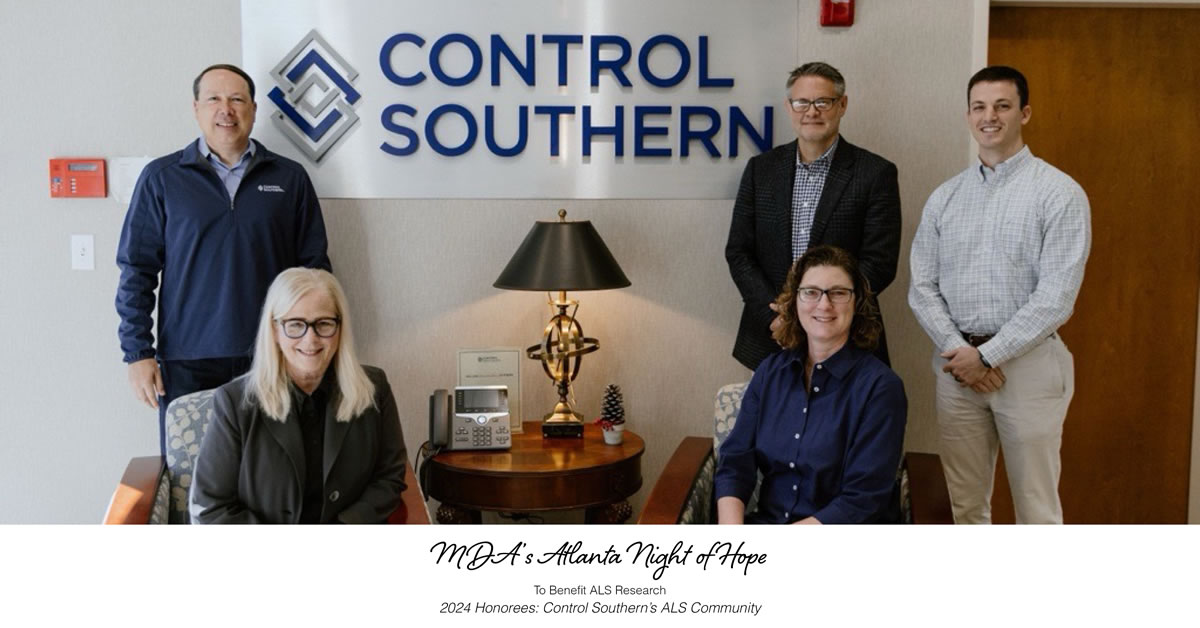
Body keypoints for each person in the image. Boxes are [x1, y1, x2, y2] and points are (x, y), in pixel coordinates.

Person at [115, 63, 331, 454]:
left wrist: (311, 346)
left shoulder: (289, 178)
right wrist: (138, 353)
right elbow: (137, 271)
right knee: (194, 472)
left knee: (276, 469)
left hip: (274, 354)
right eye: (213, 98)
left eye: (236, 99)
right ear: (196, 108)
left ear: (253, 108)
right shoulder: (162, 178)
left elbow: (315, 272)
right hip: (187, 360)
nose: (225, 109)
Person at [908, 66, 1090, 524]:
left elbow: (1056, 297)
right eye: (979, 107)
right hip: (957, 373)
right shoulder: (945, 198)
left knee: (1037, 510)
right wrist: (963, 353)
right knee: (967, 510)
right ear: (968, 115)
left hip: (1026, 369)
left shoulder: (1059, 194)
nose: (990, 116)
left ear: (1024, 113)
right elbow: (922, 288)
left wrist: (987, 355)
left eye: (1002, 106)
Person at [190, 268, 406, 524]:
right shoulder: (234, 402)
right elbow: (210, 506)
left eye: (324, 323)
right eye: (295, 325)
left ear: (340, 327)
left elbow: (390, 476)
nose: (310, 339)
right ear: (275, 331)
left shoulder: (375, 388)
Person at [726, 61, 901, 372]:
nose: (812, 111)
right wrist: (777, 317)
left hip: (847, 336)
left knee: (844, 421)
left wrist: (825, 311)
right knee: (773, 419)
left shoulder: (875, 173)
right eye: (802, 102)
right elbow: (739, 252)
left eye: (823, 101)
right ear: (789, 106)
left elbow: (880, 262)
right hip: (771, 335)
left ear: (842, 104)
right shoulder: (761, 170)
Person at [715, 245, 907, 524]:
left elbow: (864, 498)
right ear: (794, 301)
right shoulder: (770, 372)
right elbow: (735, 462)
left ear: (858, 303)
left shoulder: (881, 388)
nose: (824, 304)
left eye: (839, 292)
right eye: (811, 292)